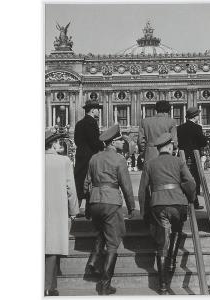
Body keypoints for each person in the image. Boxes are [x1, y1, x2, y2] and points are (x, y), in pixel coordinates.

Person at [138, 133, 196, 295]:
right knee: (177, 229)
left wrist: (144, 211)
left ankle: (162, 286)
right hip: (178, 203)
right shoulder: (178, 161)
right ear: (170, 147)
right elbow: (190, 182)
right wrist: (190, 198)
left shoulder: (150, 164)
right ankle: (172, 261)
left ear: (158, 149)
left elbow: (143, 190)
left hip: (158, 204)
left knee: (161, 245)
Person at [83, 124, 136, 295]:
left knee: (101, 233)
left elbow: (86, 184)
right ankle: (105, 285)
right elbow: (126, 186)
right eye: (121, 140)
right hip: (111, 200)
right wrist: (131, 206)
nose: (123, 143)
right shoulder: (119, 159)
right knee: (113, 242)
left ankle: (92, 263)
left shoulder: (94, 158)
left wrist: (88, 204)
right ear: (113, 142)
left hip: (95, 200)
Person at [45, 129, 79, 296]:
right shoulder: (64, 161)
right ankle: (49, 286)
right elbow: (70, 189)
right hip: (57, 209)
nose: (60, 144)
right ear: (52, 144)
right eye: (58, 142)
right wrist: (74, 210)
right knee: (52, 246)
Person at [74, 99, 104, 211]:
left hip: (80, 156)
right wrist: (103, 145)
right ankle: (89, 211)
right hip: (90, 157)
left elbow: (76, 141)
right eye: (97, 110)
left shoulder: (79, 123)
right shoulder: (91, 123)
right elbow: (94, 142)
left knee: (79, 182)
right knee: (91, 182)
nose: (98, 112)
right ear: (92, 110)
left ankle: (75, 209)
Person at [177, 107, 207, 209]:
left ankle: (183, 202)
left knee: (183, 178)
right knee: (194, 179)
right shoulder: (197, 128)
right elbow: (203, 142)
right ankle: (194, 202)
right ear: (195, 116)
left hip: (182, 157)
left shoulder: (180, 128)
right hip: (194, 158)